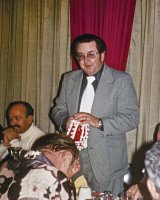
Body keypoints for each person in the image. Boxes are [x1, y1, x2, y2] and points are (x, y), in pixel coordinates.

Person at [50, 33, 139, 196]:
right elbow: (57, 109)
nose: (86, 60)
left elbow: (132, 119)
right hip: (72, 159)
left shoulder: (121, 80)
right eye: (81, 56)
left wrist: (99, 122)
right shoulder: (69, 79)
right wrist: (64, 121)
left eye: (91, 54)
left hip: (107, 162)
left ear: (102, 55)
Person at [0, 133, 80, 200]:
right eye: (74, 163)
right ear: (67, 156)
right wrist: (65, 177)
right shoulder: (53, 177)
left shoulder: (8, 164)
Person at [0, 101, 45, 165]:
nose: (12, 123)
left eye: (17, 118)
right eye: (10, 118)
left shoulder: (40, 140)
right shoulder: (12, 133)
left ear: (29, 119)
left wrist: (14, 141)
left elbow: (20, 168)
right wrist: (4, 144)